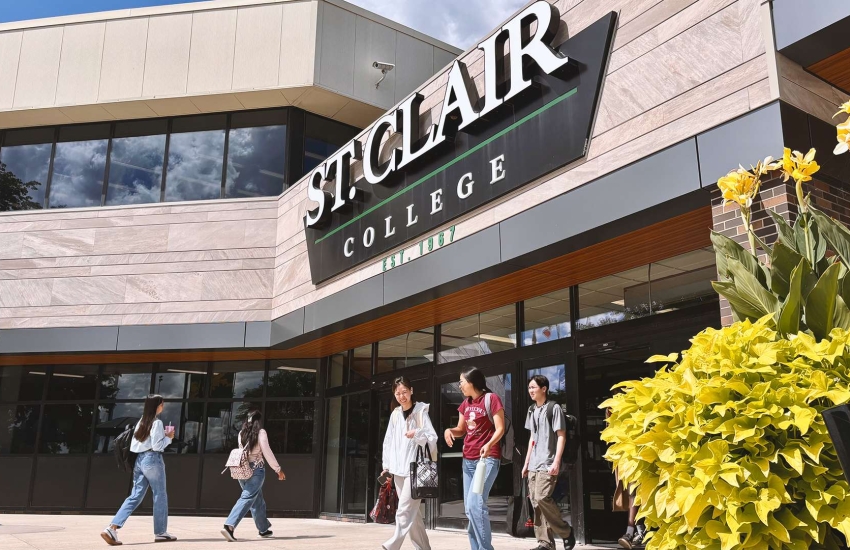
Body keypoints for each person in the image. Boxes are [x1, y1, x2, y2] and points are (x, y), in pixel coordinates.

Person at [101, 394, 177, 545]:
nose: (163, 407)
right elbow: (157, 446)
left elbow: (136, 445)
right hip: (152, 459)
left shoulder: (141, 422)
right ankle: (161, 532)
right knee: (160, 494)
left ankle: (112, 528)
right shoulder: (157, 422)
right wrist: (168, 437)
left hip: (139, 461)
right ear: (156, 406)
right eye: (162, 404)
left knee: (135, 496)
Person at [444, 367, 505, 550]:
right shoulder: (465, 404)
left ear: (472, 382)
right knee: (470, 509)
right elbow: (461, 430)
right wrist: (449, 431)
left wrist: (489, 444)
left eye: (461, 382)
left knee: (475, 504)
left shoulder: (491, 399)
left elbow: (500, 428)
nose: (459, 385)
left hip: (486, 460)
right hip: (468, 461)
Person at [380, 376, 438, 550]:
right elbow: (388, 441)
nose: (401, 396)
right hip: (398, 470)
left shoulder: (420, 411)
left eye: (404, 392)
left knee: (404, 509)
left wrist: (417, 433)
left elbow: (432, 438)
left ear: (411, 391)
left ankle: (393, 545)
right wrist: (386, 467)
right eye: (398, 393)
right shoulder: (395, 414)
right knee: (414, 515)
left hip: (415, 470)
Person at [521, 375, 576, 550]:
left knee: (542, 497)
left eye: (533, 387)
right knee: (536, 503)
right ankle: (545, 543)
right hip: (533, 464)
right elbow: (532, 438)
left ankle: (566, 531)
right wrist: (526, 463)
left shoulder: (554, 408)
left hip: (548, 462)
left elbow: (561, 436)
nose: (530, 390)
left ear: (544, 389)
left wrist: (557, 461)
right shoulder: (531, 410)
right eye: (529, 387)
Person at [220, 410, 286, 542]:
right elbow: (267, 451)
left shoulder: (241, 433)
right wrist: (278, 469)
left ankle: (263, 529)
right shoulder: (261, 433)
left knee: (257, 500)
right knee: (247, 497)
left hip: (242, 470)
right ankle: (229, 526)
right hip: (256, 470)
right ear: (258, 421)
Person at [606, 397, 646, 549]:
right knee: (632, 492)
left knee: (633, 492)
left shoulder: (636, 407)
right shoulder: (614, 413)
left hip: (638, 455)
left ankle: (630, 532)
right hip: (626, 456)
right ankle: (639, 531)